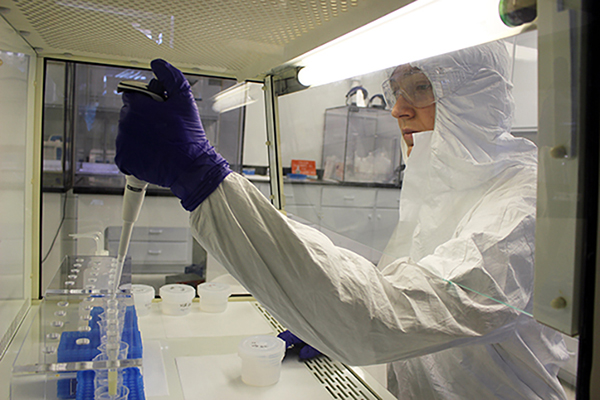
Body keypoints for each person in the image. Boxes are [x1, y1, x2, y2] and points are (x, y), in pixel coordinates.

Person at [115, 40, 570, 399]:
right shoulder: (440, 186)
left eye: (421, 87)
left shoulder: (522, 208)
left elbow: (389, 315)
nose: (397, 108)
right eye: (397, 90)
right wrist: (316, 311)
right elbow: (405, 293)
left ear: (476, 96)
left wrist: (205, 178)